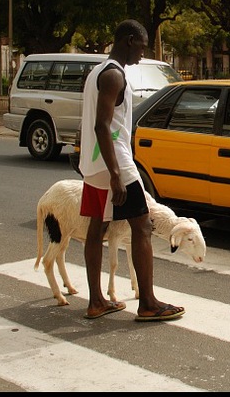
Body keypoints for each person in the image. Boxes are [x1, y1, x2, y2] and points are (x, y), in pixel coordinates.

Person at [78, 19, 185, 321]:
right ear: (128, 40)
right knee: (142, 226)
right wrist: (115, 174)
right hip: (116, 162)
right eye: (141, 46)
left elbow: (90, 123)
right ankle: (148, 303)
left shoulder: (96, 72)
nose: (142, 52)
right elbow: (102, 125)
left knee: (96, 228)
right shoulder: (114, 75)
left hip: (94, 163)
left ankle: (96, 301)